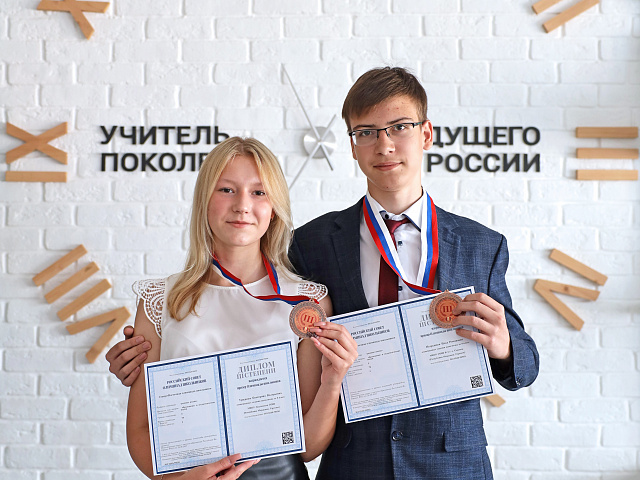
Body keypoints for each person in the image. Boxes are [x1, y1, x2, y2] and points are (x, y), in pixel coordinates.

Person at [108, 67, 539, 479]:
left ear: (426, 133)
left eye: (399, 127)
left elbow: (526, 363)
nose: (384, 145)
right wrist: (142, 358)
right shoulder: (311, 244)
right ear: (352, 145)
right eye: (366, 132)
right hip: (353, 465)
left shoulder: (481, 244)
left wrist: (503, 347)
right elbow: (249, 306)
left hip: (451, 465)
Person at [123, 136, 357, 480]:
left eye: (259, 192)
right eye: (227, 190)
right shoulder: (160, 301)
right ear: (205, 200)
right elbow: (140, 430)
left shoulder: (307, 303)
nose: (242, 205)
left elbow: (307, 447)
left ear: (274, 207)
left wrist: (333, 381)